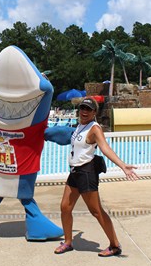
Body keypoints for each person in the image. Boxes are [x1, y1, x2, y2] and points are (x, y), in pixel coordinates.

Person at [54, 97, 139, 257]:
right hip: (74, 172)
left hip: (86, 173)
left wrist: (122, 165)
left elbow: (105, 147)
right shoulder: (80, 126)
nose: (84, 112)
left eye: (88, 109)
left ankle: (115, 245)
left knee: (96, 211)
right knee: (65, 207)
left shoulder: (94, 129)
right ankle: (68, 242)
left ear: (94, 112)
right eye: (82, 108)